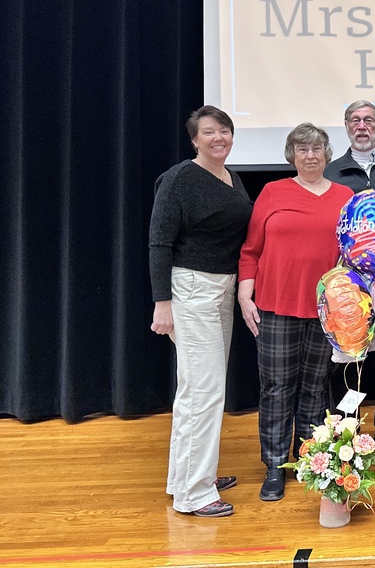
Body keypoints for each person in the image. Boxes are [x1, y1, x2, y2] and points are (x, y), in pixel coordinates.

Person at [236, 123, 355, 503]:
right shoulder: (273, 192)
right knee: (276, 387)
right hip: (275, 305)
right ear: (292, 155)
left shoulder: (345, 195)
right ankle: (274, 466)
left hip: (327, 309)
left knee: (316, 387)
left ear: (327, 154)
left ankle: (309, 459)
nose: (310, 155)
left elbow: (357, 252)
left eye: (317, 148)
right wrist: (244, 293)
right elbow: (251, 249)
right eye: (302, 149)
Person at [149, 105, 253, 518]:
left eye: (224, 130)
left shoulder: (231, 178)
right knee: (204, 394)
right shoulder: (179, 179)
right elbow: (159, 243)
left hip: (221, 289)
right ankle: (195, 494)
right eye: (208, 132)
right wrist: (162, 304)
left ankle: (188, 477)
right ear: (194, 140)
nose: (218, 138)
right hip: (191, 290)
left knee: (196, 391)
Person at [323, 99, 375, 448]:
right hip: (348, 284)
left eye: (369, 119)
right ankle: (346, 432)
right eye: (355, 120)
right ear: (346, 125)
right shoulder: (331, 171)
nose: (362, 125)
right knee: (349, 362)